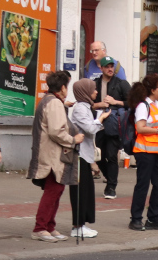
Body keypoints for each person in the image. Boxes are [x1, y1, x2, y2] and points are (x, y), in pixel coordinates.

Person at [27, 71, 84, 242]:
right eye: (67, 86)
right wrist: (73, 140)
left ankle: (49, 226)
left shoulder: (49, 101)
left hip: (51, 153)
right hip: (53, 155)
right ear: (62, 88)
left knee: (56, 190)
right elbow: (56, 131)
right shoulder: (55, 103)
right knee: (53, 191)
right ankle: (40, 228)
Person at [129, 74, 158, 231]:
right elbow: (140, 128)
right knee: (143, 185)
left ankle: (154, 218)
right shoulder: (143, 106)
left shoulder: (156, 105)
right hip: (145, 151)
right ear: (153, 89)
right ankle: (136, 219)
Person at [68, 78, 104, 239]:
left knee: (86, 192)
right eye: (93, 89)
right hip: (79, 155)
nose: (96, 92)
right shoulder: (80, 109)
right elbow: (89, 129)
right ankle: (77, 225)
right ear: (85, 91)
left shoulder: (86, 107)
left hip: (85, 156)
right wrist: (101, 119)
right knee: (80, 192)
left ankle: (82, 224)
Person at [93, 57, 130, 199]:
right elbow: (89, 103)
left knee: (111, 155)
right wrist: (99, 105)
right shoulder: (95, 84)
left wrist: (116, 102)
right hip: (98, 124)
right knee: (98, 156)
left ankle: (111, 187)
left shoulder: (121, 84)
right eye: (107, 66)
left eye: (111, 66)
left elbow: (132, 102)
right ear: (101, 69)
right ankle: (110, 177)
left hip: (115, 124)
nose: (110, 69)